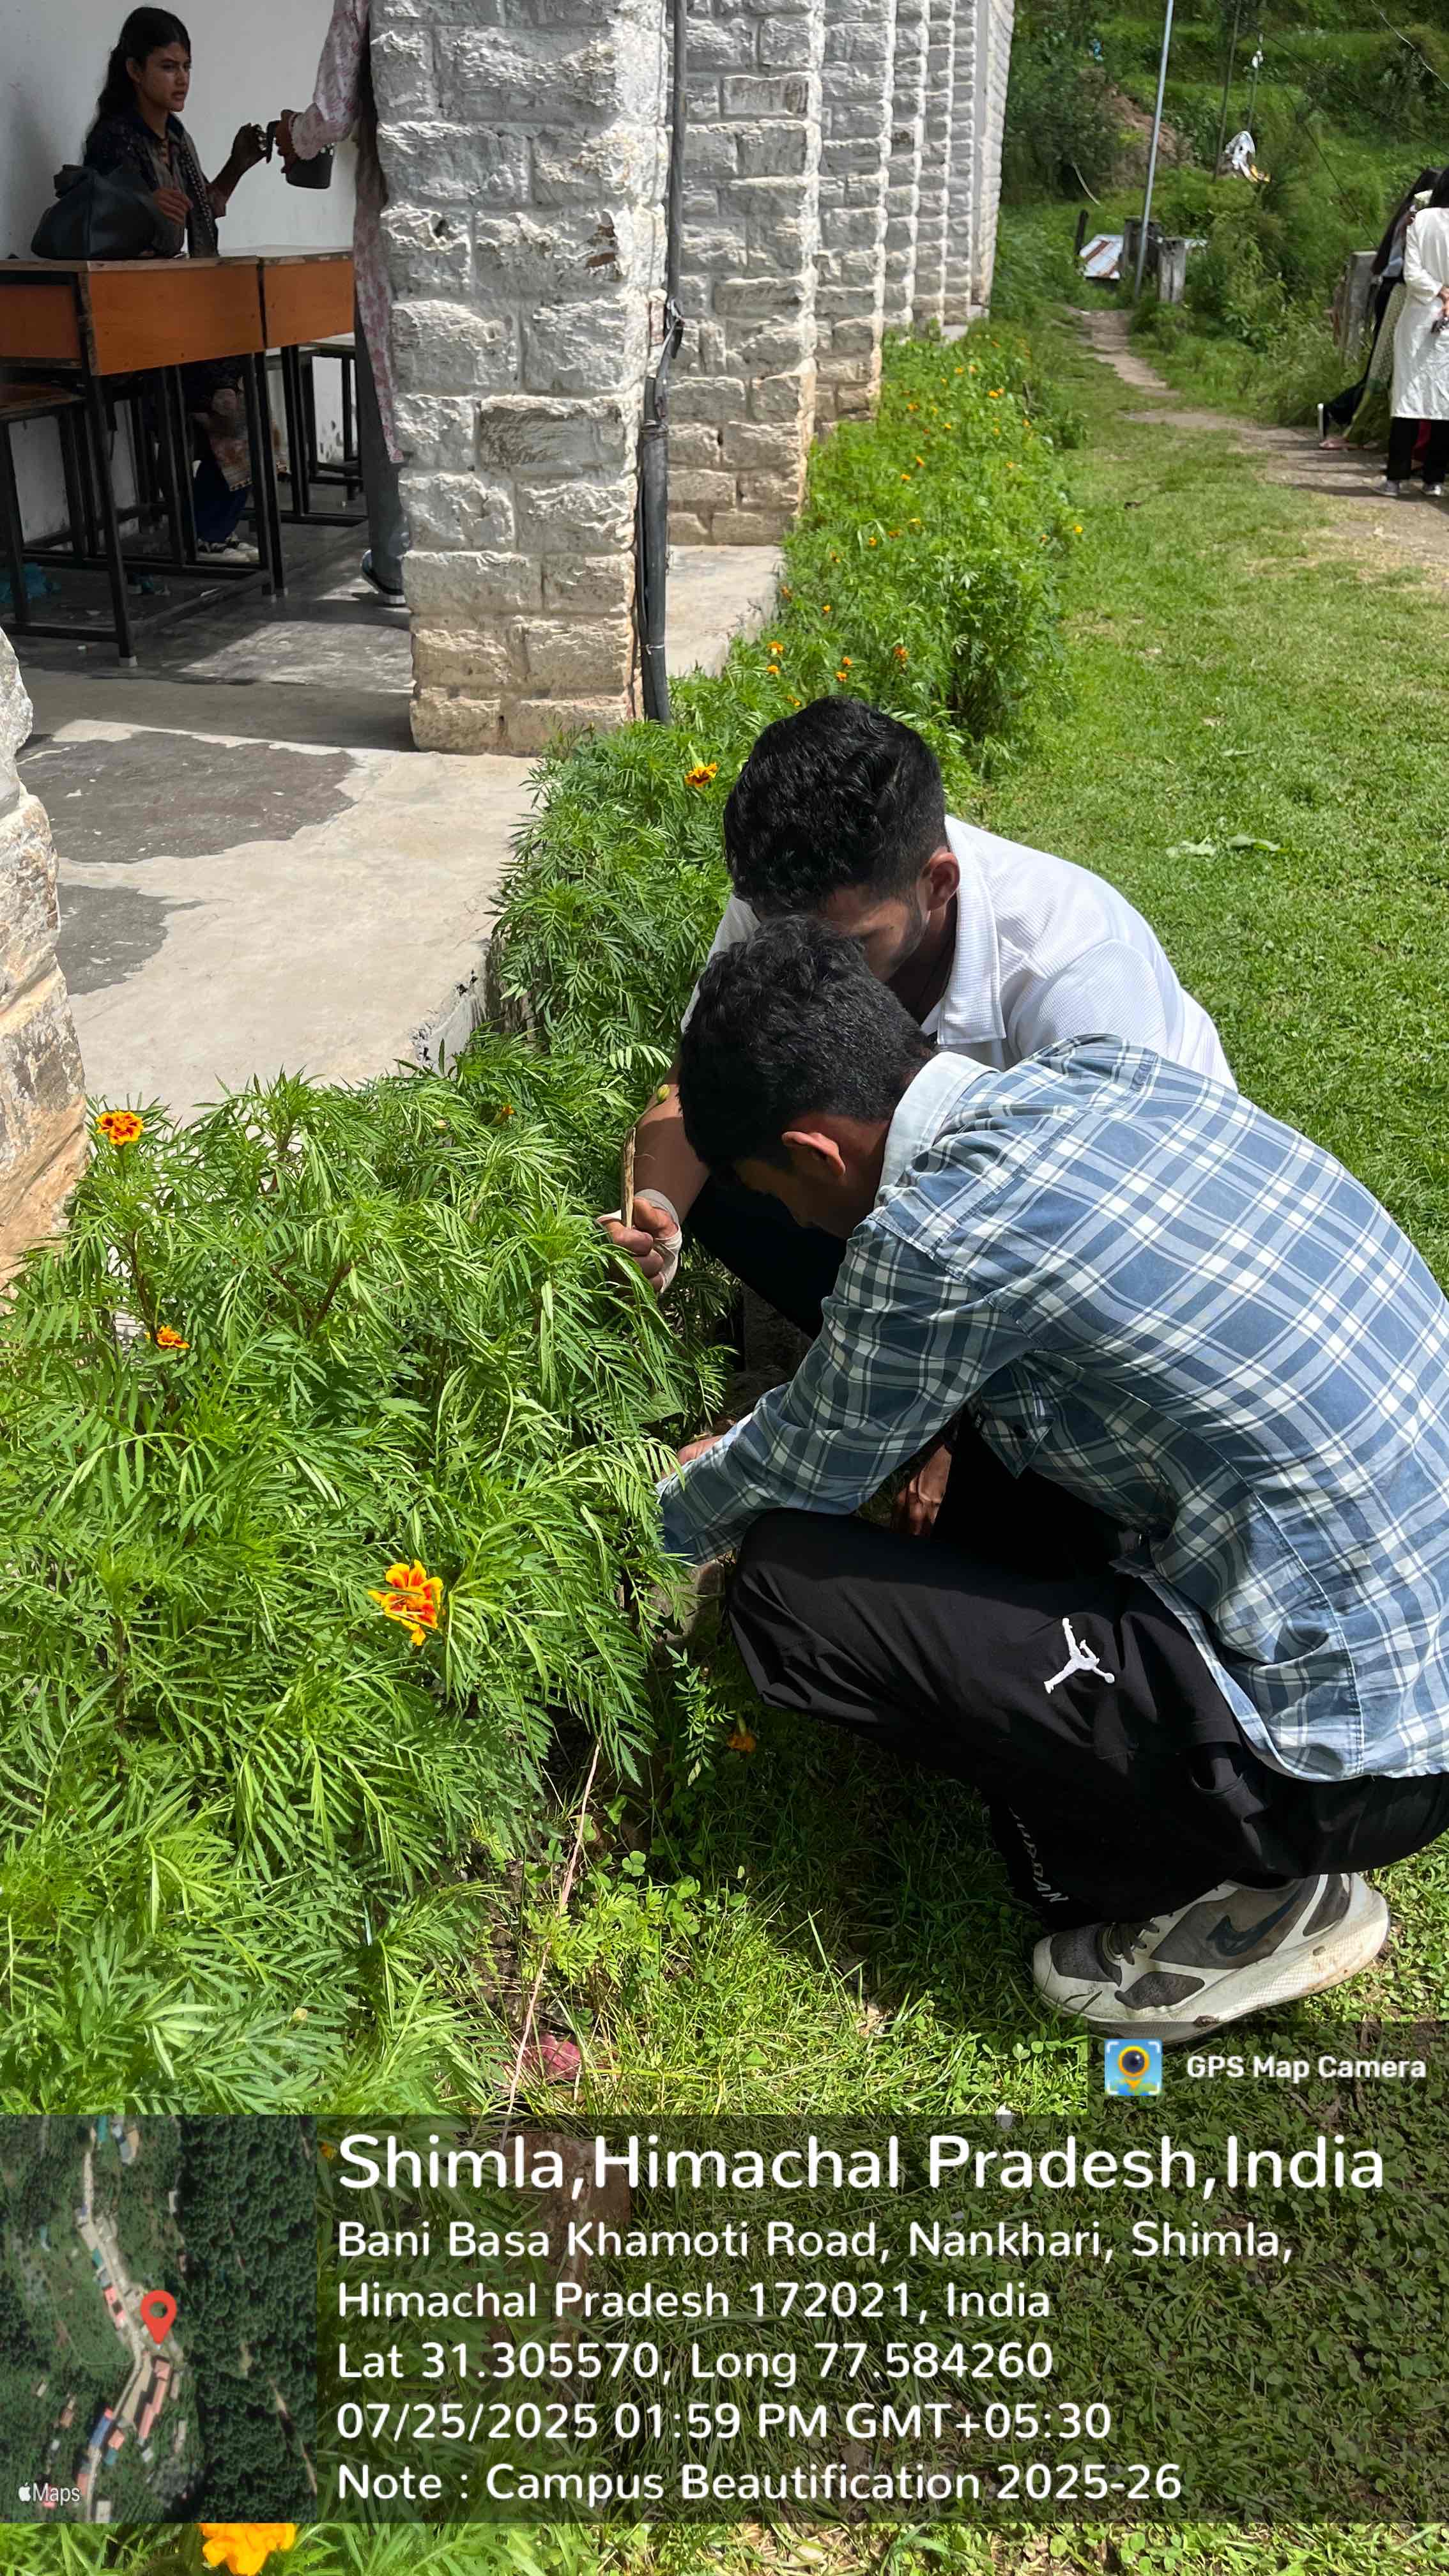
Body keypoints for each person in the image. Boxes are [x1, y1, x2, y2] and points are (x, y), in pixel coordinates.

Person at [659, 917, 1449, 2043]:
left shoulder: (937, 1234)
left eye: (772, 1192)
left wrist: (641, 1517)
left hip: (1342, 1762)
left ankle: (1231, 1896)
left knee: (790, 1589)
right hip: (1419, 1665)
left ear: (816, 1153)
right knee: (981, 1452)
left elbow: (805, 1465)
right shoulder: (1098, 1074)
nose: (790, 1221)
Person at [604, 695, 1232, 1536]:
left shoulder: (1073, 972)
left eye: (849, 945)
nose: (817, 970)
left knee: (1011, 1519)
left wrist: (960, 1428)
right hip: (963, 1231)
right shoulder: (798, 904)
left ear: (936, 884)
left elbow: (1110, 1253)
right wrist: (657, 1214)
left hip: (1117, 1253)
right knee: (729, 1140)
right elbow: (696, 1090)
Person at [85, 9, 267, 560]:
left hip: (179, 306)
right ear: (134, 70)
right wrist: (144, 207)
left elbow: (202, 210)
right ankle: (204, 533)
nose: (181, 78)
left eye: (186, 66)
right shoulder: (115, 139)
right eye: (168, 66)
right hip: (137, 316)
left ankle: (205, 528)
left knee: (242, 383)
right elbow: (105, 231)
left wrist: (237, 164)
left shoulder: (178, 138)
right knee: (228, 401)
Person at [276, 0, 407, 605]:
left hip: (389, 222)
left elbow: (331, 113)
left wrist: (295, 137)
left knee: (385, 389)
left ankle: (396, 561)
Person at [1317, 168, 1439, 447]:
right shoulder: (1419, 215)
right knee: (1384, 365)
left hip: (1395, 288)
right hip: (1402, 291)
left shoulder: (1410, 215)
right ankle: (1343, 417)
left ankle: (1343, 414)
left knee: (1387, 365)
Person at [1386, 166, 1449, 498]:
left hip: (1420, 317)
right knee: (1444, 399)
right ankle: (1434, 479)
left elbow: (1412, 273)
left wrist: (1439, 291)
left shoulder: (1420, 221)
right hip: (1443, 318)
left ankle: (1395, 478)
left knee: (1408, 397)